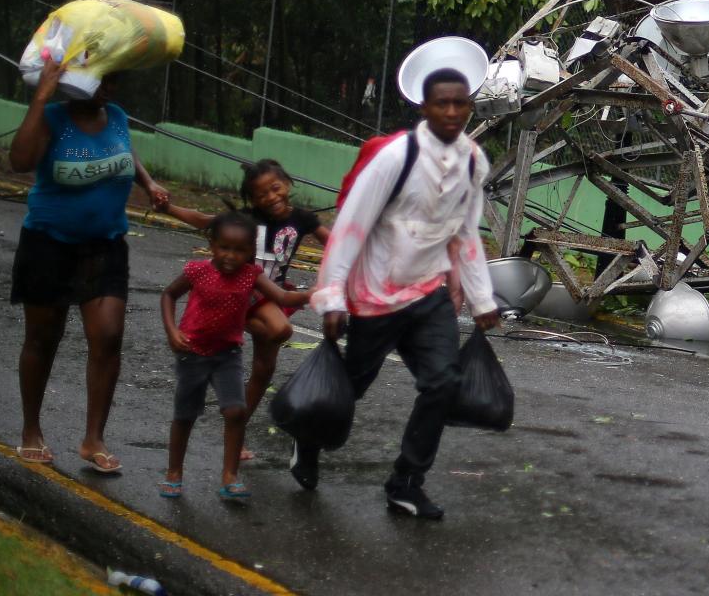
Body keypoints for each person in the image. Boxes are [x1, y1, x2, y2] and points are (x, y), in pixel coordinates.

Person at [298, 67, 497, 519]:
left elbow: (466, 234)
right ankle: (308, 440)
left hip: (429, 294)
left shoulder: (472, 161)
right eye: (441, 103)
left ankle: (406, 482)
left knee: (443, 383)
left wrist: (482, 298)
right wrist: (331, 295)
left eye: (460, 103)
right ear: (423, 108)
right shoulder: (396, 157)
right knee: (350, 389)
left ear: (470, 107)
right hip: (376, 295)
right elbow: (352, 225)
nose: (451, 112)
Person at [8, 57, 169, 474]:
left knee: (109, 336)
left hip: (107, 244)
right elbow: (20, 161)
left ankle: (93, 438)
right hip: (49, 244)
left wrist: (149, 183)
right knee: (43, 339)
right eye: (101, 80)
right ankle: (31, 430)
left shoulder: (115, 116)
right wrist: (41, 95)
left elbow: (125, 152)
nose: (109, 88)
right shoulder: (52, 118)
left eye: (114, 79)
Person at [161, 159, 329, 457]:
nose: (271, 197)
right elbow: (204, 220)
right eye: (262, 194)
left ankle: (236, 435)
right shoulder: (246, 219)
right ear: (252, 199)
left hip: (273, 294)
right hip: (243, 291)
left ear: (287, 184)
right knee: (281, 329)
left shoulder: (303, 218)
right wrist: (170, 209)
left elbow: (335, 242)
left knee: (264, 371)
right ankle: (239, 321)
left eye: (275, 188)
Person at [159, 212, 311, 501]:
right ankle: (174, 473)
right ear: (211, 245)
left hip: (227, 354)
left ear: (251, 252)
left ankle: (229, 477)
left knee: (236, 412)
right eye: (224, 248)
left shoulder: (251, 275)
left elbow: (282, 297)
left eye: (240, 250)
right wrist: (171, 331)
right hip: (192, 353)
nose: (230, 256)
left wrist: (311, 294)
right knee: (185, 415)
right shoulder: (197, 271)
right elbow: (168, 295)